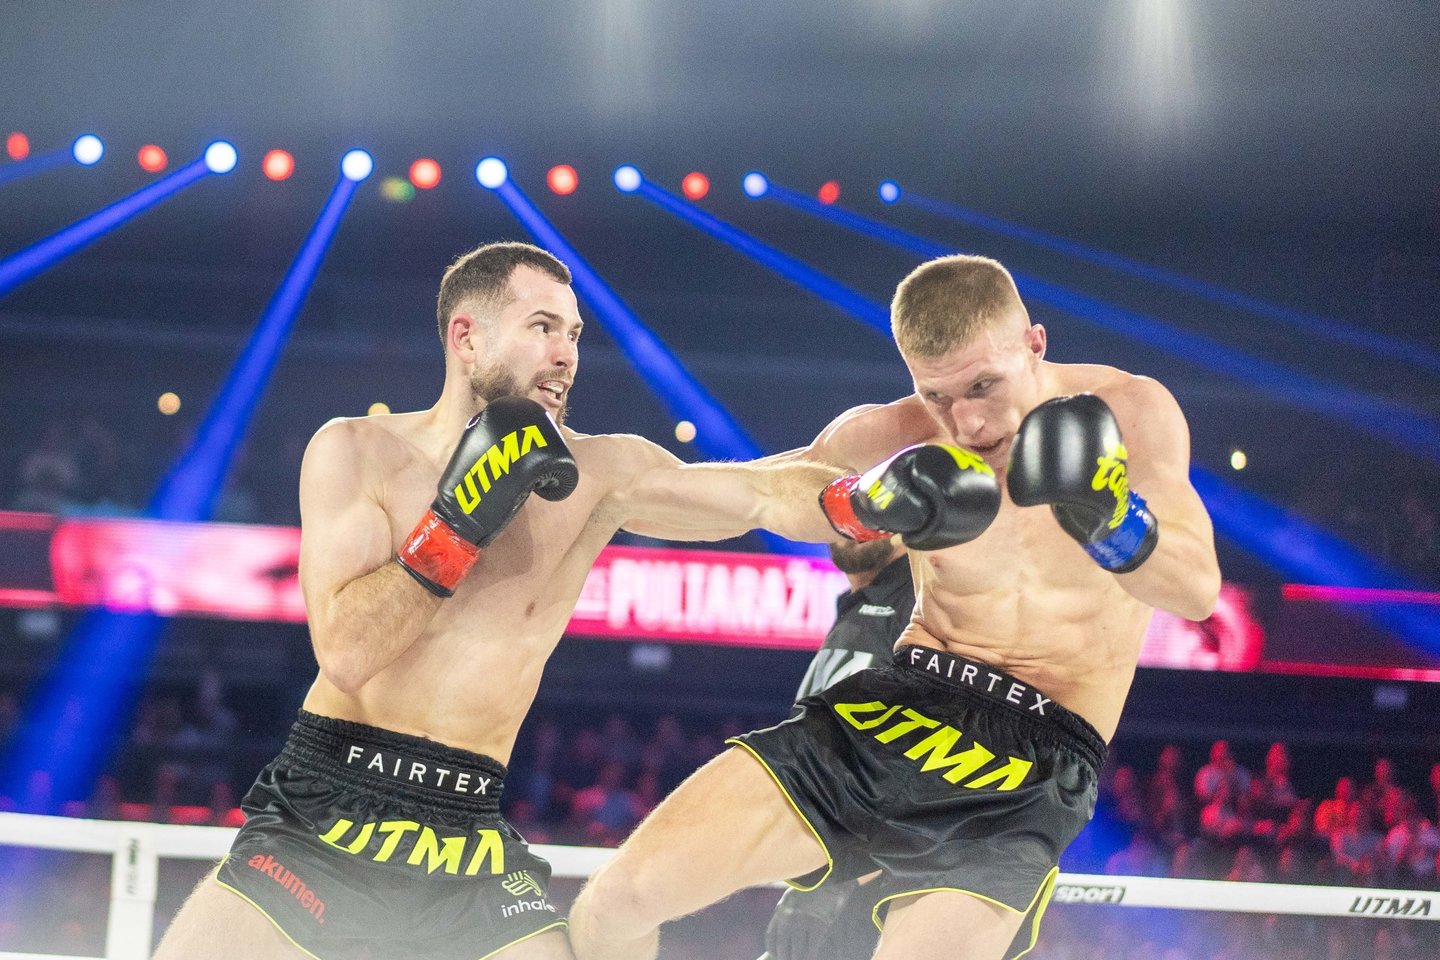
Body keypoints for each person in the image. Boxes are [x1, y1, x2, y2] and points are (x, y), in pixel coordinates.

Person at [152, 241, 986, 960]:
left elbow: (761, 495)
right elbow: (345, 650)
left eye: (575, 334)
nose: (565, 354)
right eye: (542, 327)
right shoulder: (356, 451)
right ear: (467, 337)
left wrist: (859, 500)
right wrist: (456, 525)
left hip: (464, 831)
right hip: (327, 807)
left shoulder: (599, 474)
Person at [568, 253, 1220, 960]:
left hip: (1032, 758)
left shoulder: (1130, 412)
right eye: (938, 396)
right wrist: (587, 493)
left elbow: (1196, 591)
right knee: (613, 905)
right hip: (896, 704)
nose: (967, 420)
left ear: (1034, 343)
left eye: (983, 385)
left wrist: (1111, 518)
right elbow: (744, 495)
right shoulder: (895, 436)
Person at [761, 536, 912, 960]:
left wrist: (836, 883)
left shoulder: (923, 601)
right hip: (838, 870)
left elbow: (927, 768)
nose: (859, 523)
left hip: (884, 886)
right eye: (849, 510)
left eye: (878, 508)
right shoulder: (858, 604)